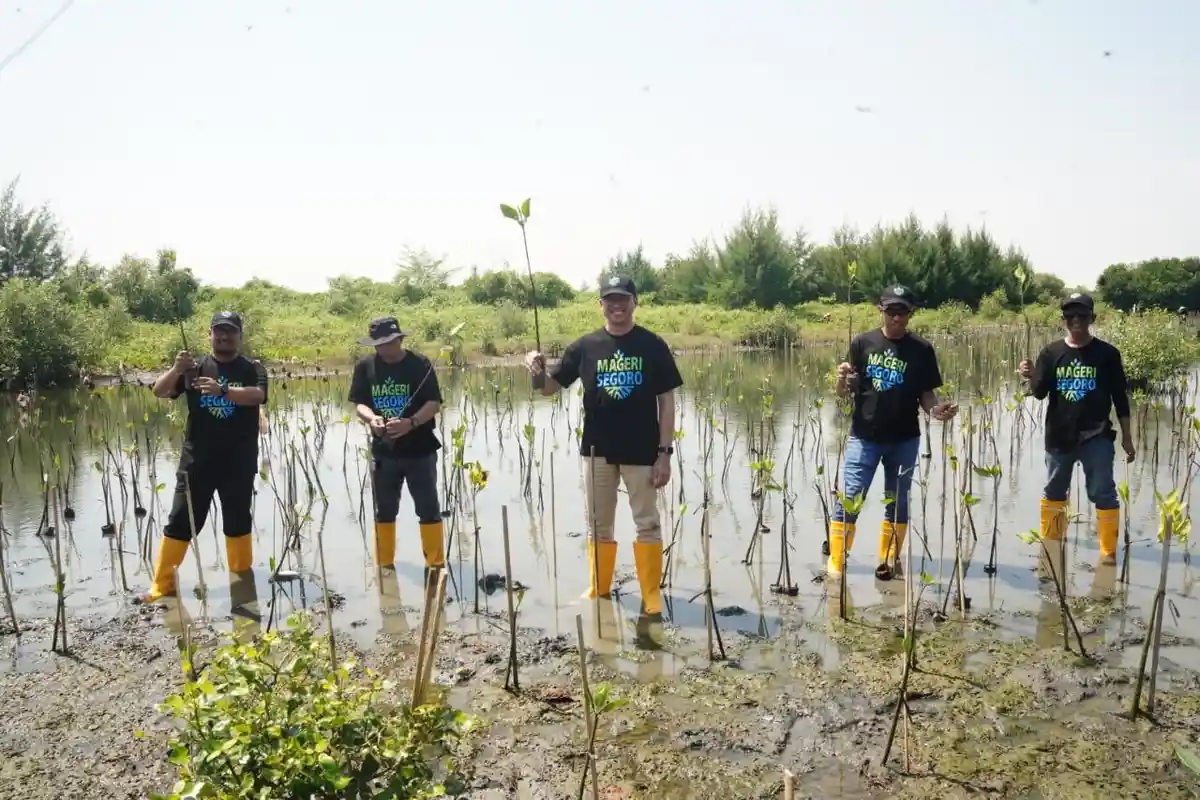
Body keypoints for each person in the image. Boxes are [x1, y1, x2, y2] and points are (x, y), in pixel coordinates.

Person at [525, 275, 683, 616]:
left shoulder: (652, 345)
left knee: (647, 522)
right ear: (601, 304)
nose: (616, 305)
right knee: (598, 523)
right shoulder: (585, 347)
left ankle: (651, 595)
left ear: (634, 302)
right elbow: (549, 388)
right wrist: (536, 371)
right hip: (596, 450)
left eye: (623, 298)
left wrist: (664, 454)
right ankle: (600, 587)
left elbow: (667, 403)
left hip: (643, 449)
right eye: (610, 299)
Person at [140, 311, 269, 603]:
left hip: (238, 461)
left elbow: (257, 396)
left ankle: (242, 584)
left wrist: (223, 390)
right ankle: (161, 587)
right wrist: (176, 369)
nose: (224, 337)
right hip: (197, 461)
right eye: (218, 331)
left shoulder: (253, 368)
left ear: (240, 336)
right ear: (209, 334)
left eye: (230, 332)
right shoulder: (194, 368)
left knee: (237, 521)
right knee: (181, 521)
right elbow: (159, 391)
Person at [833, 285, 958, 579]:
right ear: (881, 309)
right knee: (851, 495)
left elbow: (926, 394)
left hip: (904, 438)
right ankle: (837, 562)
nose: (897, 318)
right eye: (891, 311)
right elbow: (844, 392)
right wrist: (840, 380)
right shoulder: (862, 343)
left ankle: (889, 557)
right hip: (864, 436)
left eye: (903, 311)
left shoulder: (922, 350)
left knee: (898, 498)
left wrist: (935, 411)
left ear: (911, 313)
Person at [1019, 292, 1134, 566]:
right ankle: (1052, 551)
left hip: (1097, 436)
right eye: (1070, 316)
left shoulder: (1107, 354)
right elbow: (1038, 393)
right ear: (1064, 320)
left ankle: (1107, 556)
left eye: (1082, 315)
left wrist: (1128, 438)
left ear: (1092, 318)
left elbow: (1120, 399)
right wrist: (1030, 373)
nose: (1076, 320)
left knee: (1103, 491)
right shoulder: (1051, 352)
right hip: (1059, 437)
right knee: (1054, 491)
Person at [349, 317, 445, 571]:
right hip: (384, 452)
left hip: (420, 450)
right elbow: (359, 403)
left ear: (400, 339)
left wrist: (410, 422)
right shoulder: (365, 366)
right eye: (379, 344)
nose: (385, 349)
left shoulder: (419, 364)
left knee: (428, 509)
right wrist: (373, 419)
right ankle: (384, 566)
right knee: (384, 510)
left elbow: (434, 403)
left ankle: (435, 565)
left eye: (389, 342)